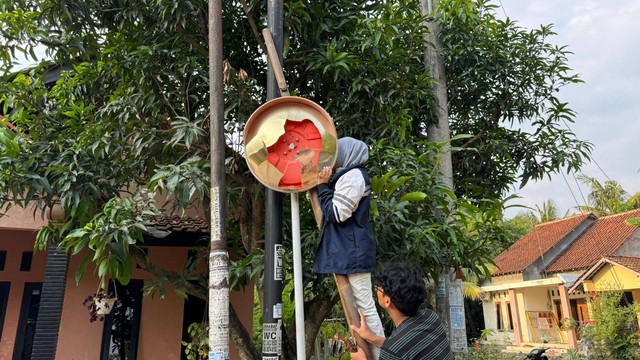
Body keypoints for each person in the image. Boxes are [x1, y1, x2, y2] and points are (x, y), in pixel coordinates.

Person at [315, 137, 385, 359]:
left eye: (337, 153)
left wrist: (323, 186)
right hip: (350, 249)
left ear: (348, 154)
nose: (333, 158)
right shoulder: (348, 176)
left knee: (365, 305)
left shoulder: (354, 177)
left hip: (353, 250)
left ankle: (381, 354)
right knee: (361, 307)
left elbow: (337, 213)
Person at [350, 263, 452, 360]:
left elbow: (399, 351)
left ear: (387, 301)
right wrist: (372, 338)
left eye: (378, 287)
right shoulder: (431, 318)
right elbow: (407, 349)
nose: (377, 289)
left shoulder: (393, 352)